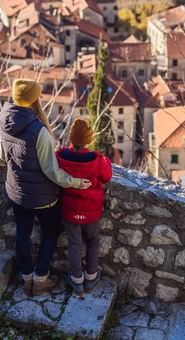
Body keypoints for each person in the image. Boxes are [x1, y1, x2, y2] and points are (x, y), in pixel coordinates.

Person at [0, 79, 91, 296]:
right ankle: (41, 279)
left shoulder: (4, 119)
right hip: (42, 197)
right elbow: (52, 171)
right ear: (35, 99)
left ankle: (27, 277)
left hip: (16, 191)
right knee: (50, 232)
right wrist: (78, 182)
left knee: (23, 233)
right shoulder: (39, 131)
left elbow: (1, 153)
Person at [56, 119, 113, 295]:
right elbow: (107, 176)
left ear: (71, 138)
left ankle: (76, 281)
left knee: (74, 244)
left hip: (69, 209)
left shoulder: (60, 156)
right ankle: (90, 277)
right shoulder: (96, 160)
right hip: (91, 210)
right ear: (89, 139)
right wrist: (106, 160)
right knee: (93, 242)